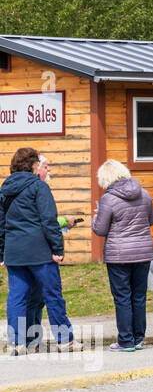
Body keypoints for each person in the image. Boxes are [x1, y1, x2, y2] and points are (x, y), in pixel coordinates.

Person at [2, 147, 78, 355]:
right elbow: (48, 221)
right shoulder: (39, 187)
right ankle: (65, 340)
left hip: (15, 252)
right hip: (39, 251)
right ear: (33, 165)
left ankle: (17, 343)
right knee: (52, 295)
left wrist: (2, 252)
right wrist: (57, 249)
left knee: (17, 297)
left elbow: (1, 223)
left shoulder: (5, 188)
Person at [91, 159, 153, 352]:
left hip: (118, 255)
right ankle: (138, 338)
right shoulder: (143, 193)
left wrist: (95, 218)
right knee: (139, 297)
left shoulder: (108, 199)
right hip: (143, 253)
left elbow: (101, 229)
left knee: (122, 297)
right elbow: (152, 219)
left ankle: (126, 340)